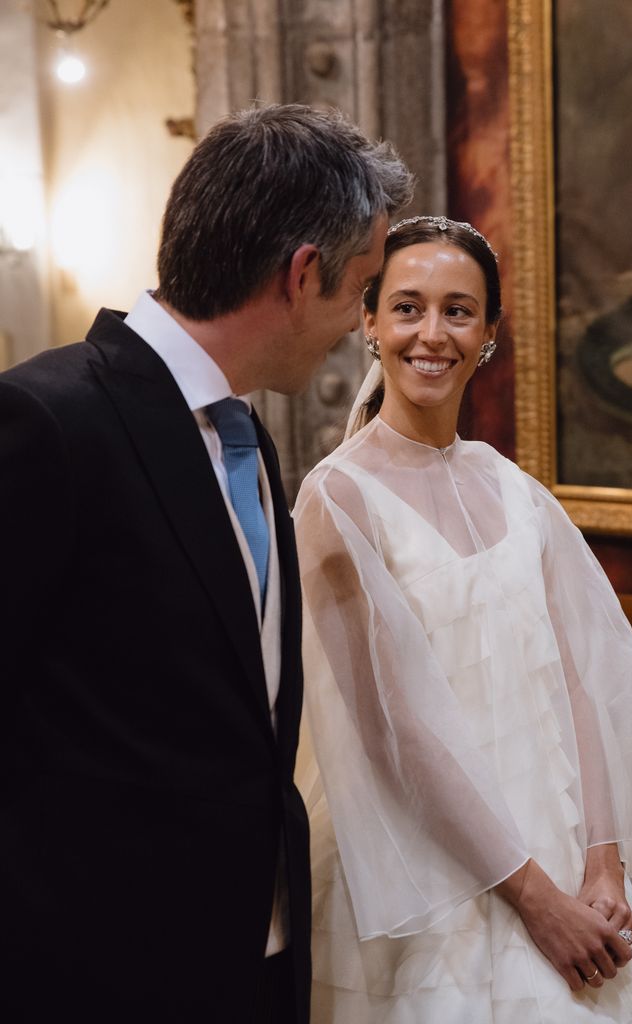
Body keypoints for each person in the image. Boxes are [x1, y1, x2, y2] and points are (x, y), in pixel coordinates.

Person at [0, 104, 413, 1023]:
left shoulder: (248, 438)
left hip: (253, 958)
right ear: (301, 275)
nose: (361, 323)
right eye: (360, 288)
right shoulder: (49, 421)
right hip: (92, 971)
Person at [293, 216, 632, 1022]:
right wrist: (534, 898)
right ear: (369, 322)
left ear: (489, 332)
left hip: (565, 846)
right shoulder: (337, 498)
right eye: (407, 307)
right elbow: (392, 732)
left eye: (458, 310)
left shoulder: (514, 489)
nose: (431, 334)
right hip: (435, 872)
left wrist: (603, 866)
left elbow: (579, 683)